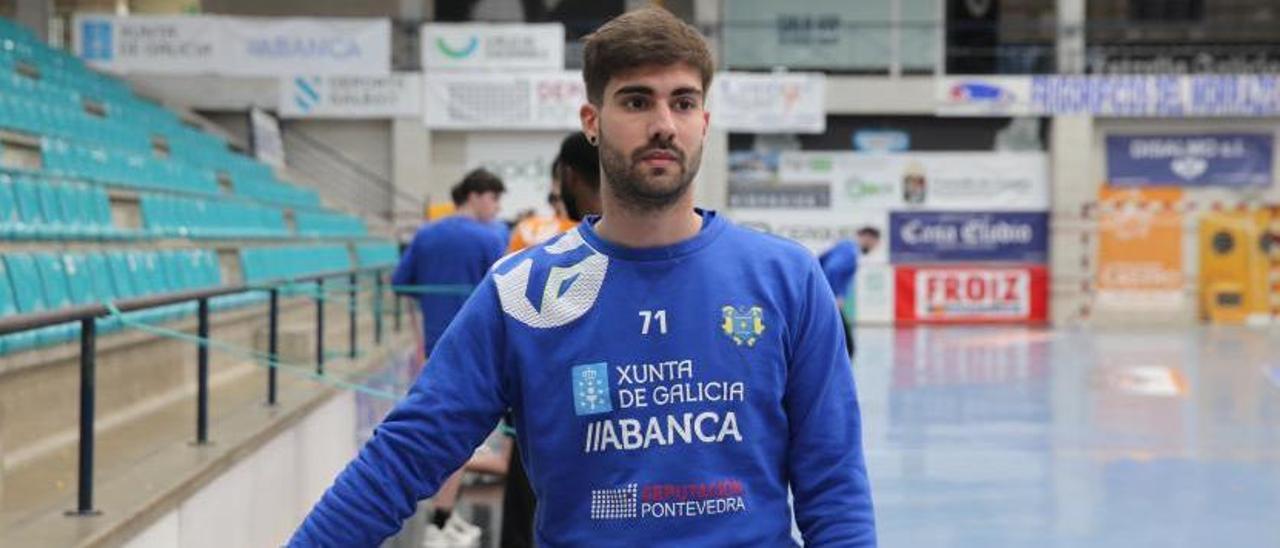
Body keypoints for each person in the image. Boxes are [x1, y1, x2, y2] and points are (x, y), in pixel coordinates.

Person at [290, 8, 875, 547]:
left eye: (683, 102)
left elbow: (835, 489)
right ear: (592, 121)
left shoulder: (787, 279)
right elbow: (404, 457)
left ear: (705, 120)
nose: (664, 124)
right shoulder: (523, 292)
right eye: (637, 102)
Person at [391, 168, 507, 547]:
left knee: (446, 436)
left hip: (433, 351)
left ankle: (443, 516)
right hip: (474, 354)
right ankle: (438, 522)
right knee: (458, 441)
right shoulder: (490, 238)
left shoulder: (425, 234)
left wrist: (418, 339)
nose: (497, 207)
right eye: (494, 198)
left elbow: (402, 285)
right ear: (475, 195)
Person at [499, 131, 601, 548]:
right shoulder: (628, 246)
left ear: (567, 178)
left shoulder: (527, 232)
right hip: (596, 404)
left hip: (539, 397)